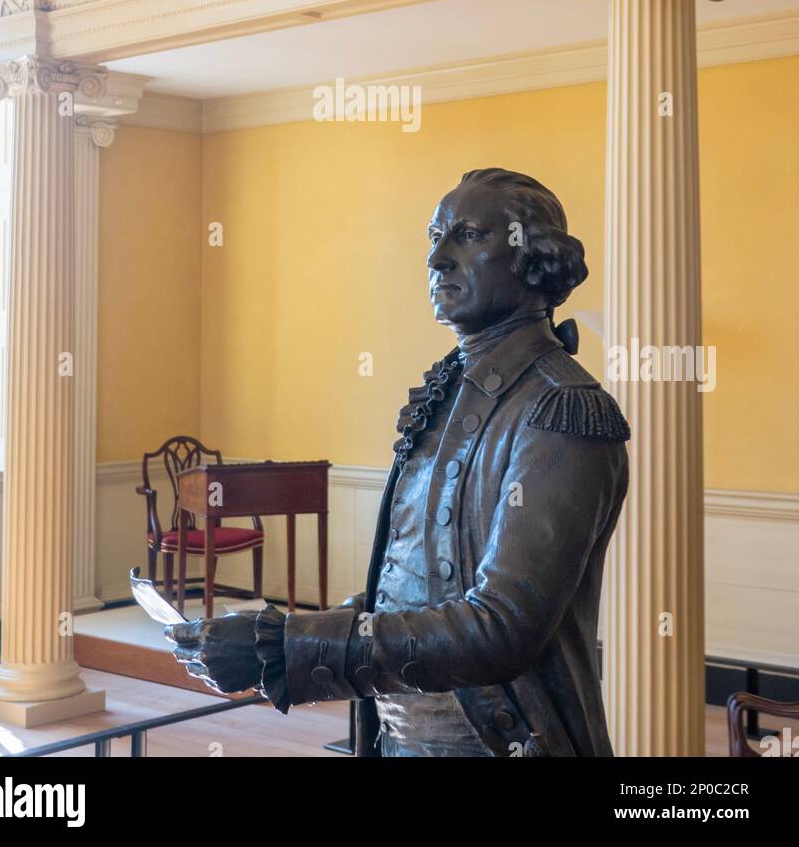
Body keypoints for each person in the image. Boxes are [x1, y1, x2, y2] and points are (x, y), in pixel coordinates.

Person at [166, 169, 630, 758]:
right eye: (435, 235)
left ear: (535, 258)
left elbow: (501, 630)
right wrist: (274, 637)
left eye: (468, 235)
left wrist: (292, 647)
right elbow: (414, 593)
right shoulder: (456, 392)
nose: (437, 258)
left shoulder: (562, 410)